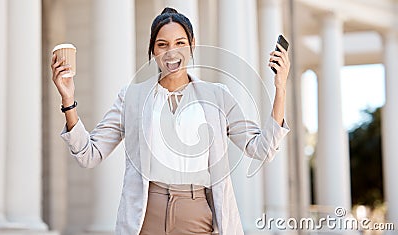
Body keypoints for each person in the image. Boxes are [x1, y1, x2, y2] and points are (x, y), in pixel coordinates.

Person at [51, 7, 290, 235]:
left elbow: (262, 148)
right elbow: (89, 154)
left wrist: (280, 89)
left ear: (192, 45)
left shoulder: (217, 96)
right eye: (162, 44)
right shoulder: (131, 98)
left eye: (180, 43)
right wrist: (68, 100)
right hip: (146, 216)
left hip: (197, 215)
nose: (171, 52)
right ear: (153, 51)